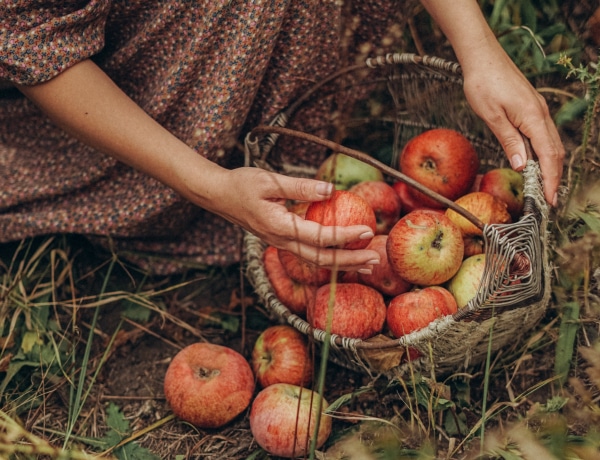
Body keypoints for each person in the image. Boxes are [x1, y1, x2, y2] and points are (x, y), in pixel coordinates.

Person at [0, 0, 564, 275]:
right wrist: (208, 185)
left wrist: (479, 50)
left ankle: (274, 124)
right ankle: (184, 179)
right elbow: (37, 42)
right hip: (139, 83)